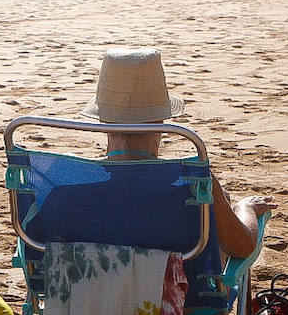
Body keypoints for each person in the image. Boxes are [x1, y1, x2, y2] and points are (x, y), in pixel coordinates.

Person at [79, 48, 275, 259]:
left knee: (216, 201)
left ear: (103, 121)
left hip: (81, 291)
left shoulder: (65, 183)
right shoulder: (194, 181)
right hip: (175, 292)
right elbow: (242, 247)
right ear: (161, 121)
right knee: (213, 206)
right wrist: (245, 208)